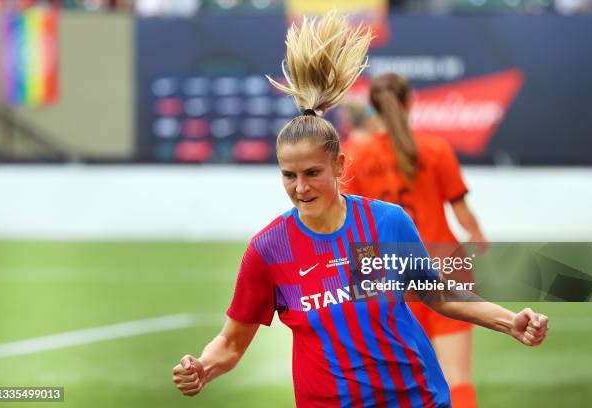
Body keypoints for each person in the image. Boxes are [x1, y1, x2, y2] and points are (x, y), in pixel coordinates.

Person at [172, 11, 548, 408]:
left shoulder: (386, 223)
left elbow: (439, 296)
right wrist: (203, 367)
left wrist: (510, 322)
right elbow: (231, 342)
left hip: (415, 400)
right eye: (289, 175)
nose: (300, 188)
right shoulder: (268, 249)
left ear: (339, 166)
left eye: (313, 172)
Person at [342, 73, 488, 407]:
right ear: (410, 102)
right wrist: (478, 234)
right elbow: (462, 211)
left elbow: (354, 228)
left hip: (393, 275)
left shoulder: (353, 156)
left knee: (403, 385)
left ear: (373, 107)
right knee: (458, 380)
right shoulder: (436, 149)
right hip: (446, 265)